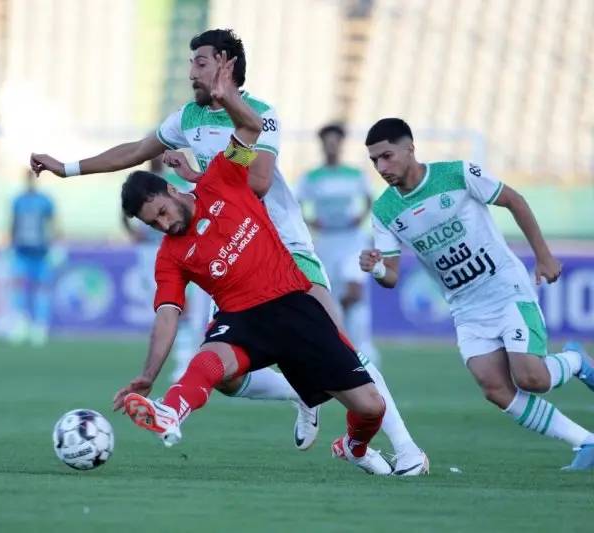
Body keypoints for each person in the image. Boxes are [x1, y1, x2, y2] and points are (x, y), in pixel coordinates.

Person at [31, 29, 427, 476]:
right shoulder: (188, 118)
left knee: (340, 343)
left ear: (225, 63)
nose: (191, 72)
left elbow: (256, 182)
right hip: (219, 249)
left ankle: (405, 449)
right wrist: (67, 168)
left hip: (283, 245)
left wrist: (197, 178)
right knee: (228, 374)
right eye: (190, 63)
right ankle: (299, 393)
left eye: (199, 62)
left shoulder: (261, 114)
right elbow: (138, 151)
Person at [112, 52, 393, 474]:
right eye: (154, 224)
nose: (165, 225)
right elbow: (167, 315)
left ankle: (354, 446)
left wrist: (225, 95)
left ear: (171, 191)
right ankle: (170, 411)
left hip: (293, 305)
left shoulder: (221, 178)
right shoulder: (170, 256)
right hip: (243, 319)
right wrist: (148, 375)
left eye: (163, 213)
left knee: (371, 407)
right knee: (210, 361)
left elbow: (250, 128)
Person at [361, 117, 594, 471]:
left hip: (505, 290)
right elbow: (391, 276)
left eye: (386, 156)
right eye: (374, 161)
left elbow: (514, 200)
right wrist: (377, 268)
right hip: (466, 308)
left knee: (532, 378)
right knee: (494, 387)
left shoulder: (456, 174)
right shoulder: (384, 210)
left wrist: (544, 257)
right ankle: (585, 441)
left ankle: (575, 360)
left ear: (410, 148)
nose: (381, 167)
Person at [296, 122, 381, 368]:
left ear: (341, 144)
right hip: (326, 241)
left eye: (336, 141)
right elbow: (296, 204)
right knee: (329, 296)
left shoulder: (355, 174)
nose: (332, 146)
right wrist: (311, 221)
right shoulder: (310, 177)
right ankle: (340, 349)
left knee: (354, 291)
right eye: (328, 141)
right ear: (322, 145)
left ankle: (363, 349)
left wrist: (360, 217)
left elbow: (369, 199)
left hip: (352, 239)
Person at [122, 155, 207, 381]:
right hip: (150, 253)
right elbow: (124, 216)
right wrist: (133, 233)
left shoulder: (174, 180)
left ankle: (186, 361)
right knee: (169, 306)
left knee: (187, 308)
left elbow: (192, 202)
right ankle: (186, 360)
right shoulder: (137, 188)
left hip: (181, 248)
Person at [6, 170, 62, 346]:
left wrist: (57, 245)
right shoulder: (18, 201)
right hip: (21, 251)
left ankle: (40, 326)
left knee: (42, 289)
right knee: (19, 288)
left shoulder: (45, 200)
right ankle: (22, 323)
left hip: (41, 252)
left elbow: (54, 223)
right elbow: (13, 223)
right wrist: (9, 245)